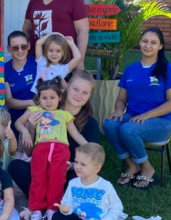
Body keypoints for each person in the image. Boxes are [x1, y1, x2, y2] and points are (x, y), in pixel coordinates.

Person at [104, 27, 171, 190]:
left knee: (128, 130)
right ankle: (132, 165)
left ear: (160, 46)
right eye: (145, 41)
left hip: (161, 121)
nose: (148, 46)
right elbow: (121, 99)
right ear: (140, 43)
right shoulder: (131, 69)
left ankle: (147, 167)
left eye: (153, 43)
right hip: (134, 117)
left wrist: (147, 115)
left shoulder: (168, 69)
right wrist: (119, 110)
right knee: (110, 125)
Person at [8, 71, 101, 200]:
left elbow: (93, 157)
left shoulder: (90, 124)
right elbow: (29, 153)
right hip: (42, 165)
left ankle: (54, 201)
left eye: (85, 92)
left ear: (90, 95)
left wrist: (74, 165)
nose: (79, 95)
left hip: (67, 171)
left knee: (78, 177)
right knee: (16, 166)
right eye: (76, 89)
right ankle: (42, 200)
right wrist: (31, 128)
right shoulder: (47, 110)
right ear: (67, 87)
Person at [15, 77, 87, 220]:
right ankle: (36, 210)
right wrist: (26, 132)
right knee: (38, 179)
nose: (48, 101)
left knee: (56, 179)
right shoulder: (34, 111)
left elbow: (75, 134)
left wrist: (90, 147)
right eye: (44, 98)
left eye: (52, 98)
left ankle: (52, 209)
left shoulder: (64, 115)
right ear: (39, 99)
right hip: (41, 149)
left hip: (60, 150)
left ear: (60, 98)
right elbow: (18, 122)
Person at [52, 143, 123, 220]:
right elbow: (67, 204)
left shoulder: (106, 186)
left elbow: (117, 207)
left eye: (83, 164)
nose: (77, 166)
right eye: (76, 162)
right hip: (76, 219)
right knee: (57, 216)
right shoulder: (73, 183)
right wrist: (65, 210)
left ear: (96, 168)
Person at [4, 31, 37, 126]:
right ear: (9, 49)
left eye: (24, 46)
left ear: (29, 46)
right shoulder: (4, 69)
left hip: (37, 115)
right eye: (15, 48)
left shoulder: (37, 62)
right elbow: (9, 101)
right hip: (15, 118)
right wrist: (33, 102)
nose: (20, 51)